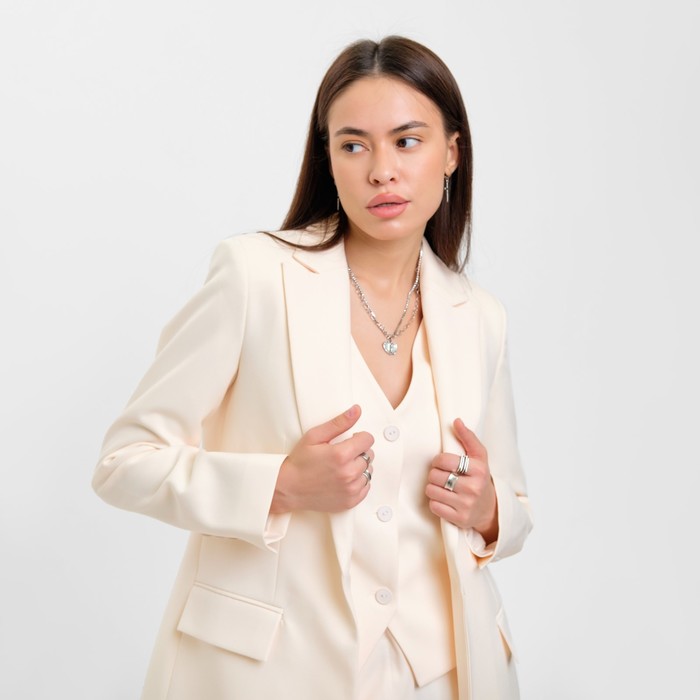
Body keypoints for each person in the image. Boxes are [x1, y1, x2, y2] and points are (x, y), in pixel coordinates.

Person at [93, 35, 533, 700]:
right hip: (270, 674)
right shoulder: (256, 276)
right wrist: (280, 485)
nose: (382, 170)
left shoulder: (480, 316)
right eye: (354, 146)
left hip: (443, 674)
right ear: (328, 159)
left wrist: (490, 510)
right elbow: (123, 462)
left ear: (451, 152)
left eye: (407, 141)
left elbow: (515, 507)